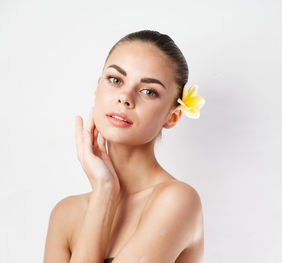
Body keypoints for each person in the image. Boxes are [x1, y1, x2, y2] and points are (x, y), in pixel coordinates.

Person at [43, 29, 205, 263]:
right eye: (115, 80)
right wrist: (104, 191)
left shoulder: (178, 201)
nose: (125, 97)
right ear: (97, 88)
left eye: (149, 91)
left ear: (172, 117)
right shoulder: (65, 214)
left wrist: (104, 191)